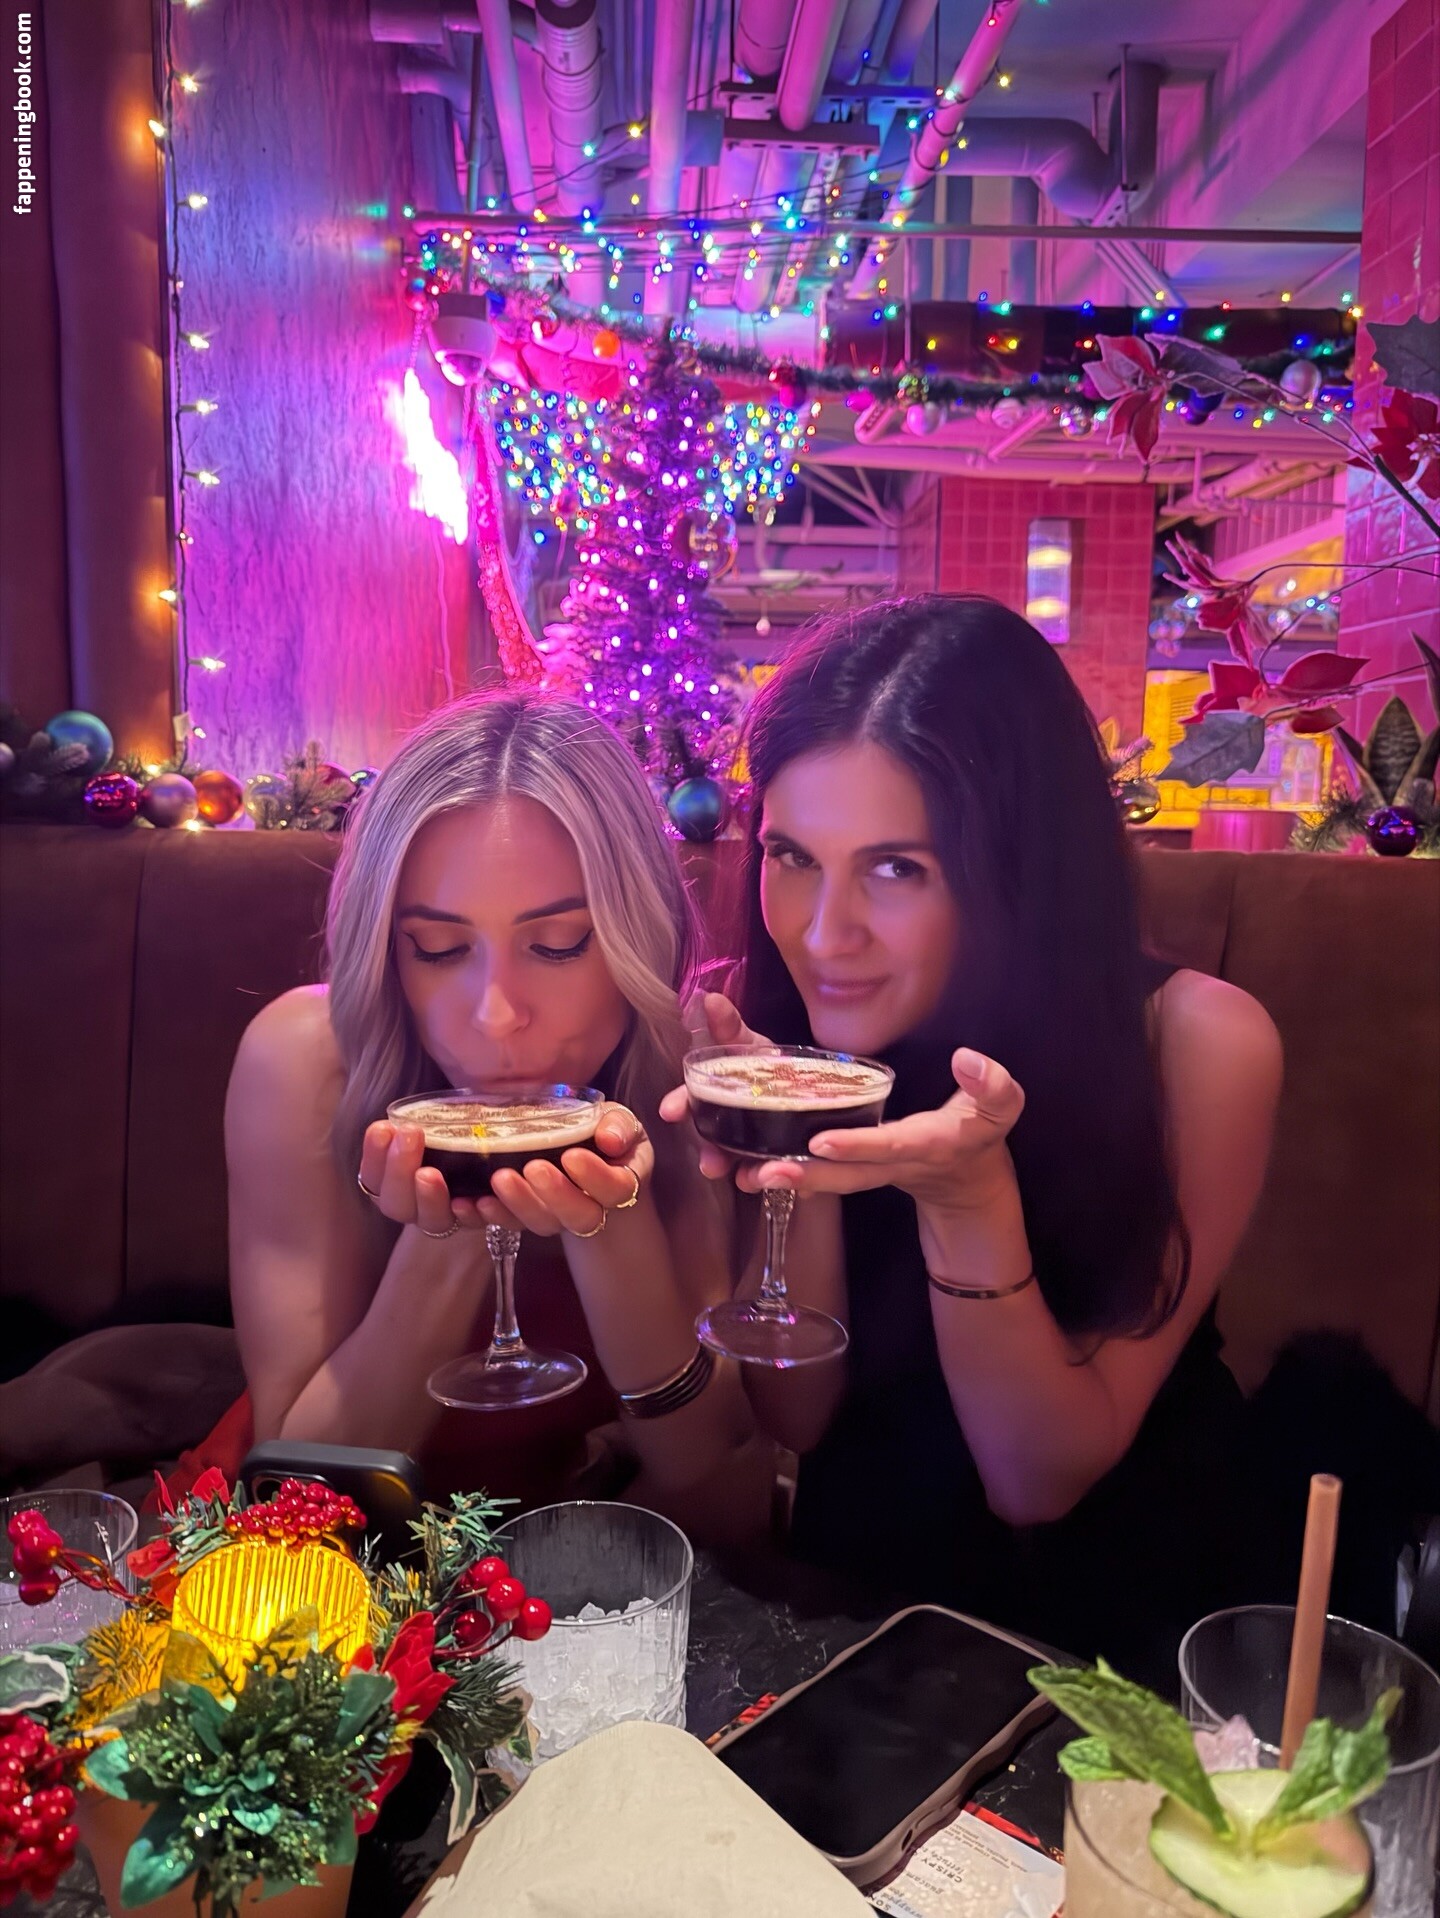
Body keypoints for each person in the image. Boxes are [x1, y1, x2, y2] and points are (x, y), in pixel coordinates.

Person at [663, 596, 1284, 1682]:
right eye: (792, 855)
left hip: (1121, 1632)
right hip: (861, 1610)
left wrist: (967, 1200)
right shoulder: (777, 1025)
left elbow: (1037, 1480)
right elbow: (798, 1415)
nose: (822, 932)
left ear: (1019, 863)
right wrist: (794, 1152)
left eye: (897, 868)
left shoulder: (1201, 1043)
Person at [226, 690, 767, 1539]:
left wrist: (609, 1224)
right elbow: (302, 1496)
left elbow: (712, 1484)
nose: (496, 1015)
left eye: (558, 945)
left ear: (640, 934)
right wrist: (448, 1227)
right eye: (440, 949)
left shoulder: (688, 1064)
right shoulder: (304, 1058)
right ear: (388, 948)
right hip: (306, 1575)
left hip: (572, 1572)